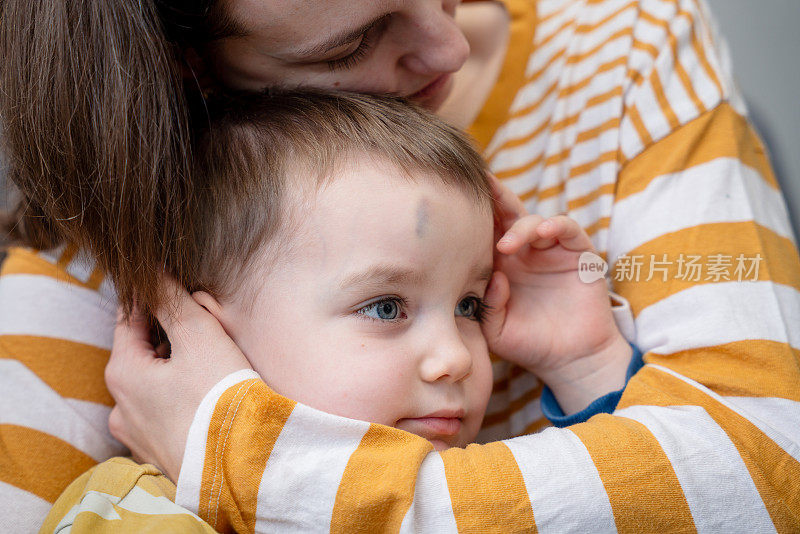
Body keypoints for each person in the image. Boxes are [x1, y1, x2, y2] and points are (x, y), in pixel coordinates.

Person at [1, 0, 798, 531]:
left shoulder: (626, 49)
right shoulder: (132, 217)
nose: (452, 42)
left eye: (473, 305)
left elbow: (770, 473)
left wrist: (250, 454)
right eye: (352, 41)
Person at [41, 90, 638, 531]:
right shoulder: (132, 517)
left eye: (469, 306)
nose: (455, 358)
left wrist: (586, 365)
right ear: (206, 334)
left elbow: (625, 506)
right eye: (385, 307)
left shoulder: (480, 486)